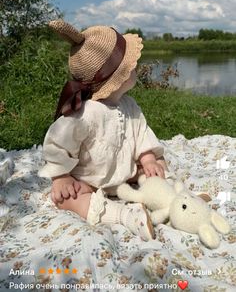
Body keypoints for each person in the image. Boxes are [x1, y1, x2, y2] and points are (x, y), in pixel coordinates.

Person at [38, 19, 170, 241]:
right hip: (90, 180)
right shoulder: (84, 114)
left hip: (126, 173)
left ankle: (168, 198)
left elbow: (141, 133)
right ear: (118, 78)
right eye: (131, 65)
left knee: (159, 164)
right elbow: (57, 143)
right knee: (64, 199)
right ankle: (124, 216)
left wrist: (147, 159)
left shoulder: (130, 105)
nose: (136, 66)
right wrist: (61, 177)